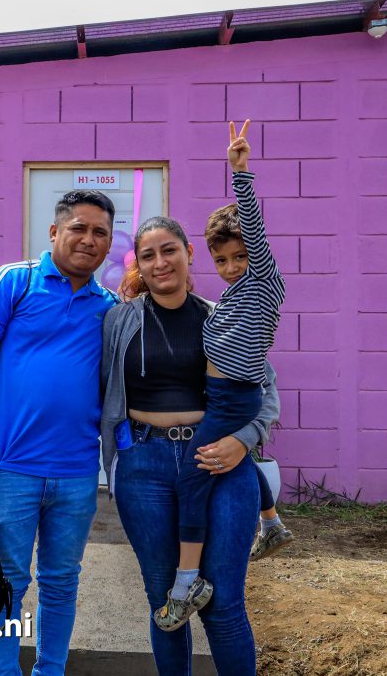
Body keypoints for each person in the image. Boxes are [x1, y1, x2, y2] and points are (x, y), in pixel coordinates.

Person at [99, 121, 283, 674]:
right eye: (148, 255)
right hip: (144, 464)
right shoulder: (118, 321)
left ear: (189, 255)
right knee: (166, 605)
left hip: (219, 460)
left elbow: (265, 391)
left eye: (170, 250)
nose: (160, 262)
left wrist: (243, 441)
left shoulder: (220, 317)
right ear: (138, 265)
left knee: (224, 604)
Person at [0, 189, 118, 676]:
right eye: (79, 228)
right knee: (7, 582)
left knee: (62, 581)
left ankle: (51, 671)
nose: (88, 239)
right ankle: (4, 672)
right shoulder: (14, 282)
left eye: (100, 232)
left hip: (77, 474)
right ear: (54, 231)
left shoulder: (108, 307)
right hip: (10, 470)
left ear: (110, 244)